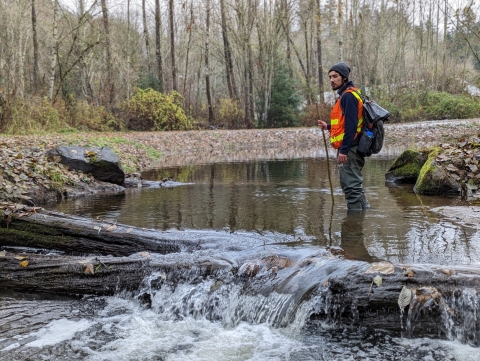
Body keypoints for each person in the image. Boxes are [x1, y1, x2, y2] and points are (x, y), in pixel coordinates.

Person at [318, 62, 370, 211]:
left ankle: (353, 228)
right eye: (330, 77)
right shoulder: (350, 94)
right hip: (354, 146)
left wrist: (344, 150)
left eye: (335, 76)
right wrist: (328, 126)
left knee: (351, 187)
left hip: (351, 149)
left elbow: (351, 126)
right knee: (355, 186)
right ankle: (362, 217)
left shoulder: (348, 96)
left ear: (344, 78)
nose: (332, 80)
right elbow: (345, 122)